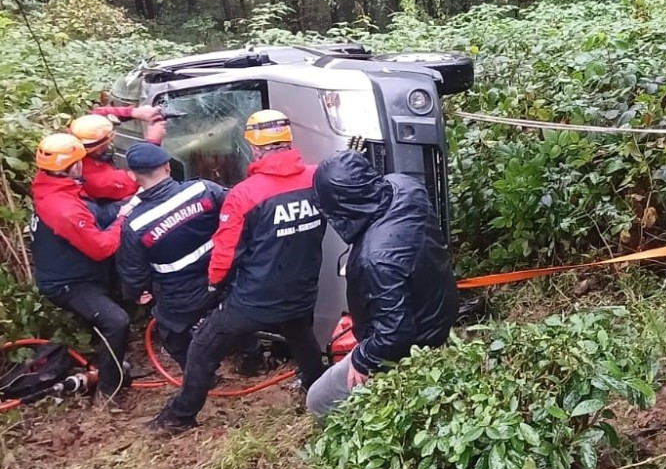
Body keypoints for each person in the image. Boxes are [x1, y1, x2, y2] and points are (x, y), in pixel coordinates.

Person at [147, 110, 327, 433]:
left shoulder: (244, 195)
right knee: (304, 342)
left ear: (256, 149)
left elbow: (224, 255)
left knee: (203, 346)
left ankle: (179, 417)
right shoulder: (318, 180)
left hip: (255, 299)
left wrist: (214, 286)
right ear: (288, 142)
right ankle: (318, 392)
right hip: (301, 292)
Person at [306, 150, 458, 418]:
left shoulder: (373, 259)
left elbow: (395, 334)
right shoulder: (405, 185)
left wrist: (362, 360)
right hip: (438, 310)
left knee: (319, 400)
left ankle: (353, 445)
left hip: (417, 342)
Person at [30, 133, 135, 403]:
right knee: (116, 320)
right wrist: (122, 219)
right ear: (73, 166)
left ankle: (111, 363)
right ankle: (108, 392)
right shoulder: (64, 208)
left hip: (75, 270)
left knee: (122, 302)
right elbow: (101, 248)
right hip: (69, 283)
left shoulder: (51, 185)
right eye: (81, 160)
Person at [115, 143, 228, 369]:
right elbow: (238, 209)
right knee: (235, 318)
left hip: (181, 297)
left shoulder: (134, 224)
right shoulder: (204, 189)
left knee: (170, 334)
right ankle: (253, 360)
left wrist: (137, 294)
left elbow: (134, 273)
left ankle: (202, 376)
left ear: (133, 176)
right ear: (167, 167)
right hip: (224, 279)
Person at [70, 106, 166, 203]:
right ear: (98, 149)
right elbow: (140, 177)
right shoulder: (101, 180)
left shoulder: (71, 141)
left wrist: (134, 112)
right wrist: (153, 141)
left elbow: (99, 113)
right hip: (108, 204)